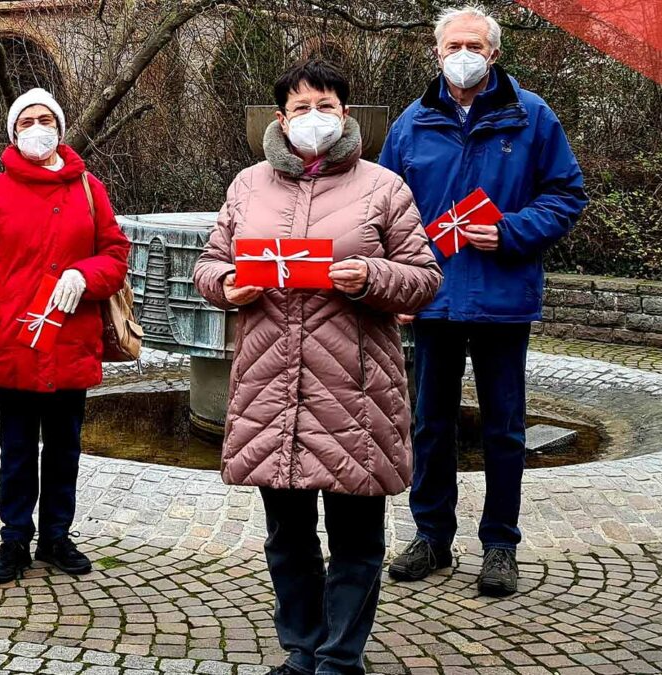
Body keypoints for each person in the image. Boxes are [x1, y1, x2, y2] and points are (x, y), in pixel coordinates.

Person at [193, 60, 442, 675]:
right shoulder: (247, 186)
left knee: (356, 537)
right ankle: (302, 650)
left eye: (325, 105)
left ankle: (340, 658)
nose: (313, 118)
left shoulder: (384, 187)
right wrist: (229, 285)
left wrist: (373, 277)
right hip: (270, 388)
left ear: (346, 115)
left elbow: (425, 279)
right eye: (301, 107)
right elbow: (207, 267)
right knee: (287, 537)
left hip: (354, 391)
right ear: (280, 119)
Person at [379, 5, 587, 597]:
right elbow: (384, 211)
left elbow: (567, 194)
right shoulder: (411, 124)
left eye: (474, 44)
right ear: (437, 52)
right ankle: (431, 536)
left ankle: (500, 544)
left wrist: (515, 230)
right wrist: (397, 283)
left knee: (503, 428)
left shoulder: (532, 116)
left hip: (502, 297)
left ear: (494, 53)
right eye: (452, 45)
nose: (462, 54)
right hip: (434, 297)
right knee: (430, 424)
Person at [0, 88, 130, 584]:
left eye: (45, 119)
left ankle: (56, 535)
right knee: (16, 450)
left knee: (64, 448)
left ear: (60, 127)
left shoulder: (89, 189)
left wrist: (85, 275)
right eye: (27, 120)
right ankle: (14, 539)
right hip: (13, 345)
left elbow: (115, 253)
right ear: (13, 132)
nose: (37, 128)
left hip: (70, 342)